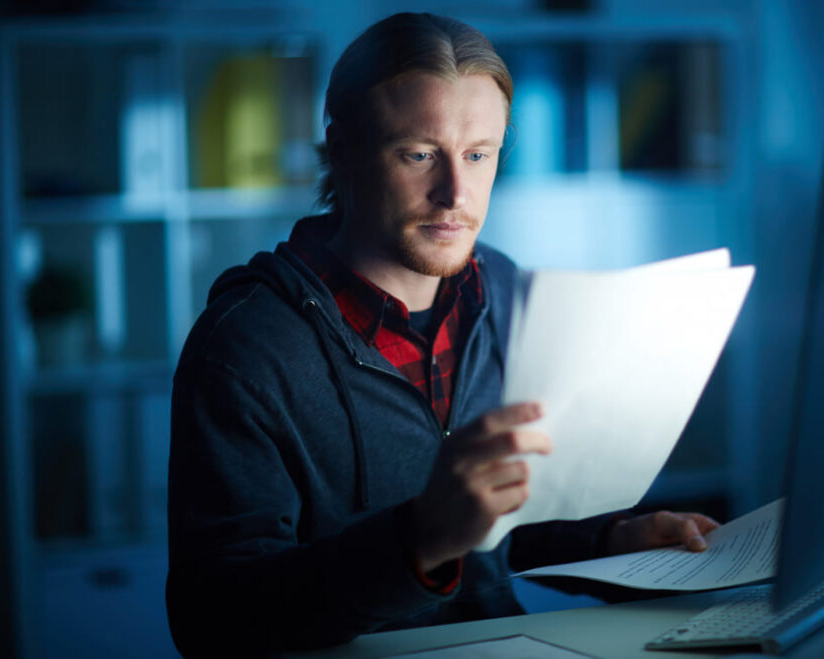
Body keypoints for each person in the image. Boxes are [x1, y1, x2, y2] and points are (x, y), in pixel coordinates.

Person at [166, 11, 719, 656]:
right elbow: (213, 620)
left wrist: (612, 540)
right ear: (341, 151)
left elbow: (516, 518)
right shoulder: (245, 348)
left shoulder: (503, 290)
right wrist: (419, 540)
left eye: (478, 155)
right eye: (420, 154)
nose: (455, 192)